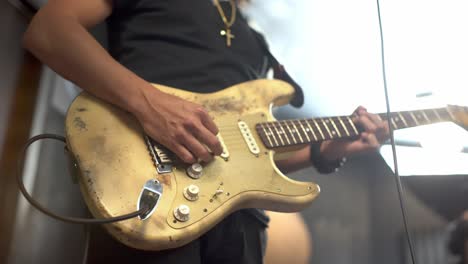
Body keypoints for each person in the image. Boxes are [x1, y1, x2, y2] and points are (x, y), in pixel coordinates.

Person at [23, 0, 390, 263]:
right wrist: (149, 103)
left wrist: (323, 152)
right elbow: (50, 29)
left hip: (241, 226)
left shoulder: (256, 40)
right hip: (149, 194)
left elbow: (247, 150)